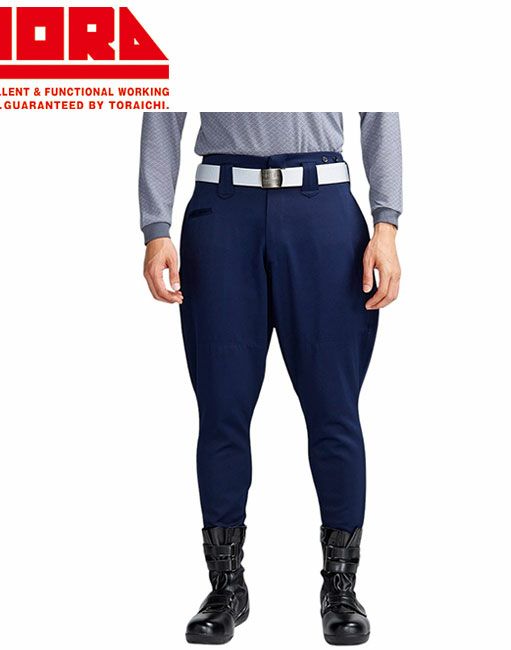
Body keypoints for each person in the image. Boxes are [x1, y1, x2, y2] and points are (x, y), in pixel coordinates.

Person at [139, 112, 402, 645]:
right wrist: (155, 226)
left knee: (334, 411)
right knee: (222, 411)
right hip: (221, 215)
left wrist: (387, 223)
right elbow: (161, 108)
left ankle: (341, 589)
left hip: (322, 212)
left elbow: (381, 107)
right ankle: (226, 588)